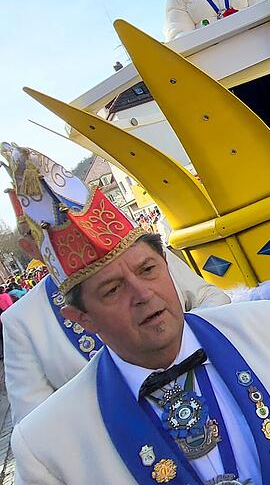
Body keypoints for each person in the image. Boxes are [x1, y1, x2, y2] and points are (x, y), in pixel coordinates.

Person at [8, 155, 270, 485]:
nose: (143, 294)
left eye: (147, 269)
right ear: (83, 319)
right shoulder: (46, 446)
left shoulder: (265, 323)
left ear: (167, 267)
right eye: (113, 290)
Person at [1, 144, 231, 424]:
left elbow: (213, 297)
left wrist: (175, 344)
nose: (142, 291)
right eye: (43, 232)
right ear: (28, 247)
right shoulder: (21, 322)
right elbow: (33, 420)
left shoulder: (145, 260)